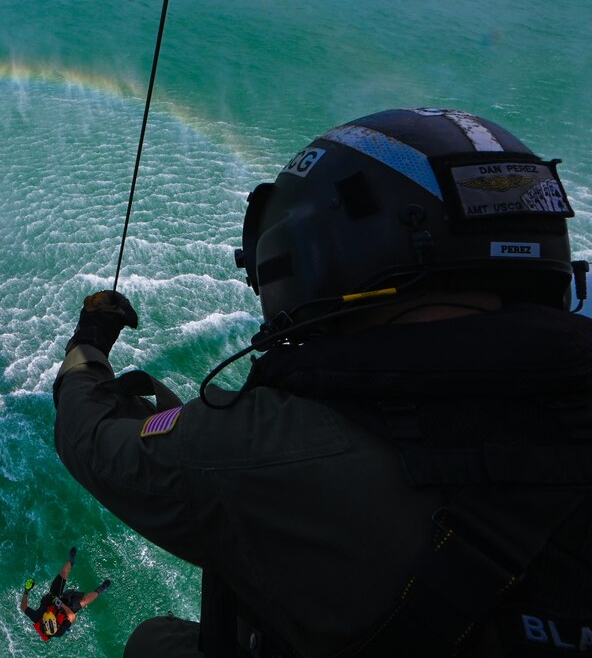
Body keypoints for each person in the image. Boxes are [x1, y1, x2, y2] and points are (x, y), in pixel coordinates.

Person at [53, 108, 592, 656]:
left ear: (312, 253)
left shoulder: (260, 445)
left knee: (155, 645)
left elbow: (89, 437)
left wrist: (89, 343)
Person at [20, 546, 111, 641]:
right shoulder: (59, 631)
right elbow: (72, 616)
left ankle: (71, 560)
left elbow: (23, 607)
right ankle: (100, 590)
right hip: (64, 610)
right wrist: (62, 605)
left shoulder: (36, 617)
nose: (47, 611)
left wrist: (26, 591)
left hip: (52, 598)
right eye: (48, 613)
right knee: (84, 601)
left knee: (63, 573)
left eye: (47, 613)